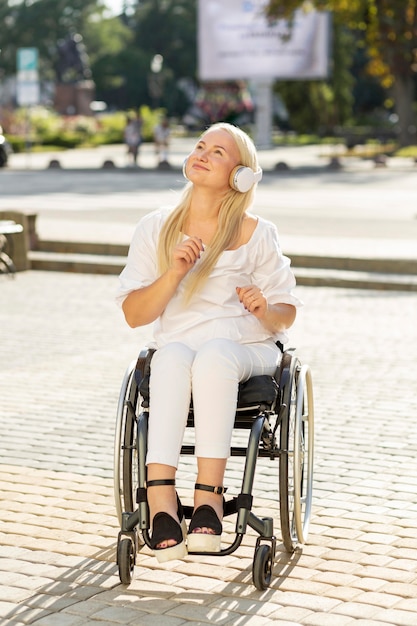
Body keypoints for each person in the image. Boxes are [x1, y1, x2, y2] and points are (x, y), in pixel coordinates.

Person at [116, 122, 302, 563]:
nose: (202, 152)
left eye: (218, 151)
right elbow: (134, 315)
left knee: (215, 355)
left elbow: (286, 310)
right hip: (181, 348)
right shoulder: (156, 228)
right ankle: (161, 503)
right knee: (171, 357)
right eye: (201, 145)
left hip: (246, 349)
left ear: (241, 176)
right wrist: (174, 273)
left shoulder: (258, 233)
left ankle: (209, 500)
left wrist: (263, 309)